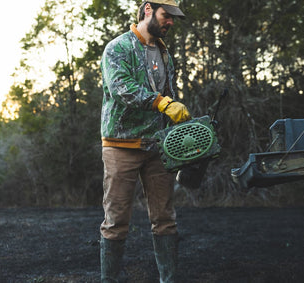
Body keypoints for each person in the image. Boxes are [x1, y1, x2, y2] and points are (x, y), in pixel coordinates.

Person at [99, 1, 190, 282]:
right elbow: (121, 88)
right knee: (116, 222)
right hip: (120, 145)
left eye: (174, 18)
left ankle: (169, 279)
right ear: (148, 10)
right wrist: (162, 103)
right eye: (167, 16)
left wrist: (180, 128)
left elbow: (169, 96)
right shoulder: (118, 47)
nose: (171, 23)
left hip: (156, 146)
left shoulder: (165, 54)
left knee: (165, 219)